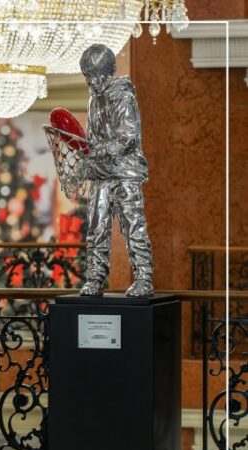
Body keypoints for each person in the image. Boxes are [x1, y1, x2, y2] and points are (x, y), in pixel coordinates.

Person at [79, 44, 154, 297]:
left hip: (125, 173)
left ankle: (144, 277)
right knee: (96, 229)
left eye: (96, 75)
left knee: (134, 226)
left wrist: (100, 150)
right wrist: (88, 154)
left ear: (108, 72)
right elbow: (92, 136)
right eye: (88, 76)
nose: (93, 82)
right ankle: (95, 278)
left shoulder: (124, 96)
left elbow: (128, 137)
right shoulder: (93, 99)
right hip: (101, 174)